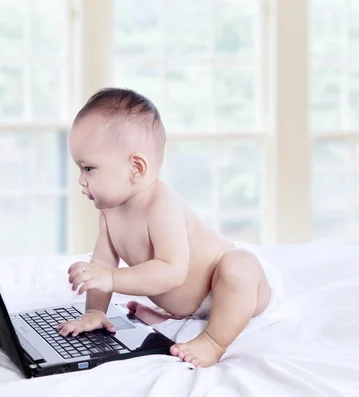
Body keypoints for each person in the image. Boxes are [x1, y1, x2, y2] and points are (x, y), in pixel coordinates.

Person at [57, 88, 282, 367]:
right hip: (194, 307)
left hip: (234, 288)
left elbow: (172, 272)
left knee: (239, 266)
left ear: (136, 168)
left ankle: (213, 340)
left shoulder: (161, 204)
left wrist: (112, 278)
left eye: (88, 168)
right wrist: (94, 310)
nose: (81, 179)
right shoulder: (109, 211)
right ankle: (181, 319)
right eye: (79, 168)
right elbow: (102, 263)